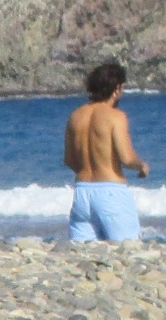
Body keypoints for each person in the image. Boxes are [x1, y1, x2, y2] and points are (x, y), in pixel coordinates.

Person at [64, 61, 152, 243]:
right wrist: (141, 165)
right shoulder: (116, 117)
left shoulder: (75, 116)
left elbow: (69, 160)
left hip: (82, 193)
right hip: (111, 192)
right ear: (117, 89)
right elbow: (127, 158)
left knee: (83, 253)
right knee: (128, 249)